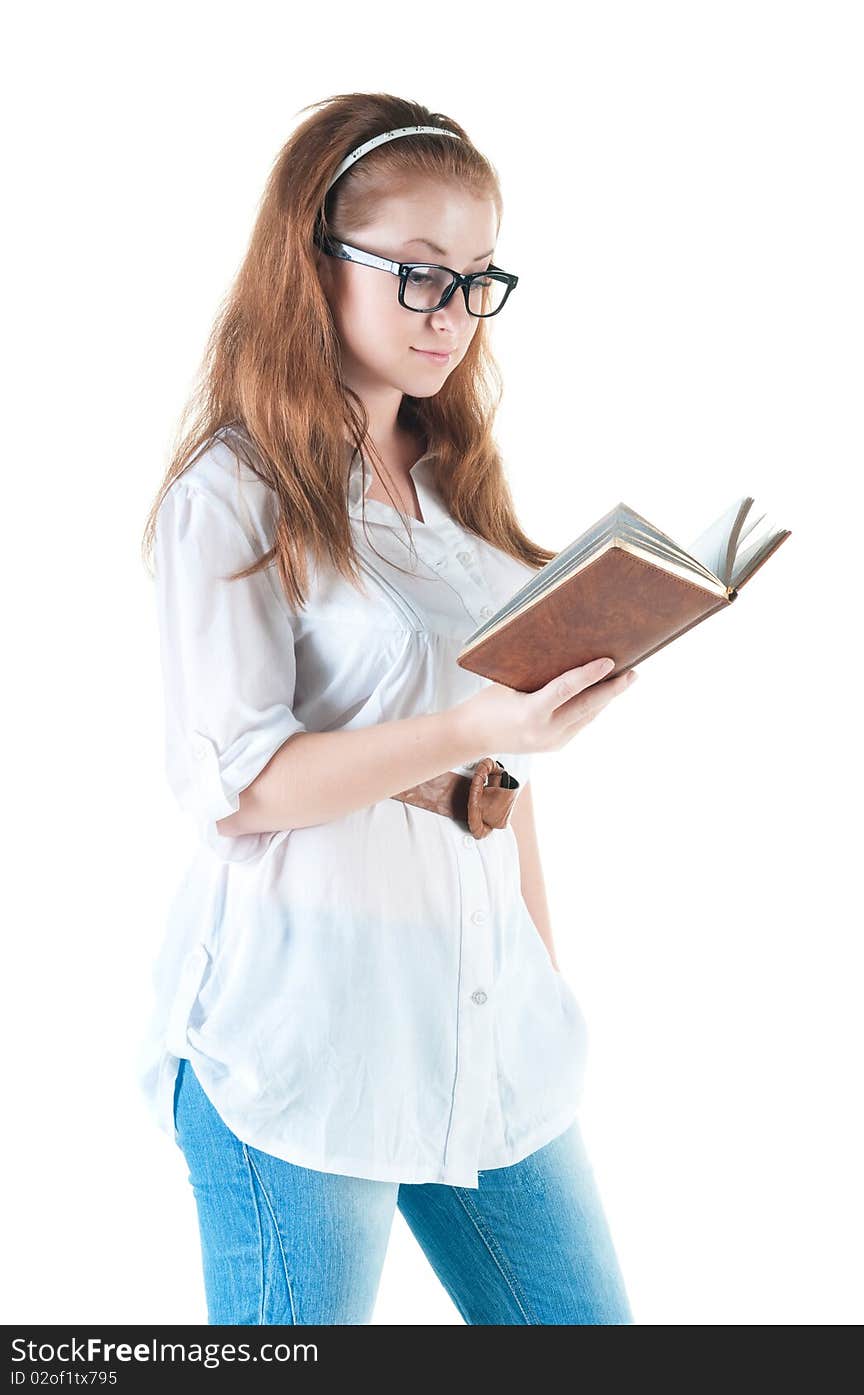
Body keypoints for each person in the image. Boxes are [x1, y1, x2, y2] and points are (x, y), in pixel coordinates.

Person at [137, 93, 638, 1326]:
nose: (453, 314)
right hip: (307, 1031)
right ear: (317, 264)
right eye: (419, 275)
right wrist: (478, 732)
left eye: (478, 278)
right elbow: (241, 787)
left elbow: (495, 778)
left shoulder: (455, 485)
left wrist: (541, 971)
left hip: (481, 1024)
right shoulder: (233, 495)